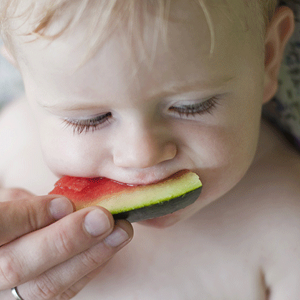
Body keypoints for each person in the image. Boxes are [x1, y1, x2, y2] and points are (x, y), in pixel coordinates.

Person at [0, 0, 299, 299]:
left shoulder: (287, 226)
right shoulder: (9, 141)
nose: (141, 155)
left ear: (267, 56)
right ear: (25, 75)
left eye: (190, 106)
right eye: (90, 120)